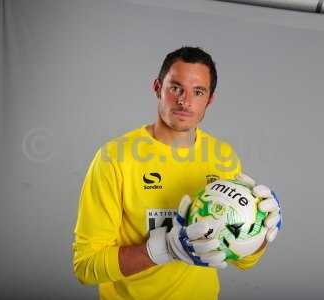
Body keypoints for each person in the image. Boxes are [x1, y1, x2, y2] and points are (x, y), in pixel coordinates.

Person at [72, 46, 282, 300]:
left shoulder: (222, 156)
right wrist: (161, 250)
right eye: (175, 88)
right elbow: (86, 266)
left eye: (198, 91)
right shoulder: (114, 158)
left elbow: (243, 260)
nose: (185, 100)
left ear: (210, 99)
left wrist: (261, 228)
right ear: (157, 88)